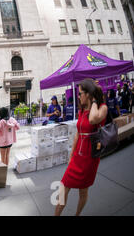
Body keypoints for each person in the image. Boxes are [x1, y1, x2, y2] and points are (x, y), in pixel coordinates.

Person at [55, 79, 108, 216]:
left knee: (83, 191)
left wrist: (95, 100)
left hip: (90, 157)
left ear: (88, 94)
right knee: (62, 188)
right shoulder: (82, 110)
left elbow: (92, 120)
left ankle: (77, 214)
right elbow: (77, 134)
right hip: (77, 156)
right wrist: (71, 155)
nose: (78, 96)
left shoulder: (102, 108)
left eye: (80, 94)